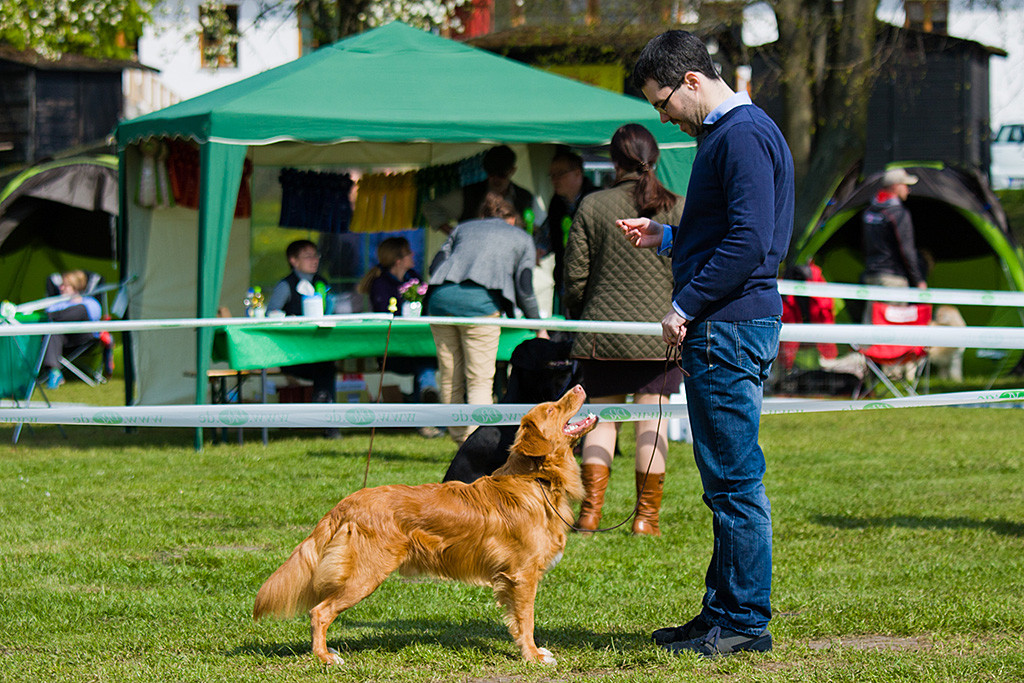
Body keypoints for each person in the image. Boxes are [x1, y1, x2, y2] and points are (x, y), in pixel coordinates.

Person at [618, 30, 795, 658]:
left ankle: (743, 621)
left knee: (734, 484)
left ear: (691, 80)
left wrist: (684, 305)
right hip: (729, 323)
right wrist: (667, 238)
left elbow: (750, 242)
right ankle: (721, 611)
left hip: (727, 326)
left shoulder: (740, 135)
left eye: (663, 103)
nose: (664, 118)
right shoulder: (732, 134)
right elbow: (732, 234)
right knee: (724, 481)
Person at [563, 124, 684, 537]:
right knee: (651, 422)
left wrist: (578, 312)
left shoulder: (592, 205)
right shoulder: (678, 207)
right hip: (660, 333)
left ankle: (589, 515)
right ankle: (646, 519)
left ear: (614, 162)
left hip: (603, 333)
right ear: (656, 158)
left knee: (601, 420)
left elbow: (575, 276)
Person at [426, 193, 546, 445]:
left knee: (449, 376)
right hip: (480, 305)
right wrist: (538, 326)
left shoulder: (462, 228)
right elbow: (524, 287)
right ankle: (474, 444)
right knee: (479, 379)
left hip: (440, 300)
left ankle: (459, 439)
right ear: (512, 219)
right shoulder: (522, 237)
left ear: (483, 216)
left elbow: (435, 266)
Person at [356, 237, 441, 431]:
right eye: (408, 252)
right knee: (424, 363)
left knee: (425, 360)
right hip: (392, 350)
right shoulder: (380, 284)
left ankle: (425, 413)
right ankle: (426, 414)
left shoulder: (413, 277)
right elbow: (384, 315)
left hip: (416, 346)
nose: (413, 255)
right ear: (398, 260)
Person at [267, 240, 338, 433]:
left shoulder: (322, 283)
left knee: (326, 365)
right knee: (325, 367)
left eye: (316, 255)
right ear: (293, 260)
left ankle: (325, 418)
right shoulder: (286, 285)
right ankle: (326, 420)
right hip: (292, 353)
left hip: (318, 349)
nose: (314, 260)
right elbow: (271, 314)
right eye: (308, 256)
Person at [536, 147, 599, 314]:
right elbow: (547, 236)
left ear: (578, 173)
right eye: (551, 175)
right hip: (565, 280)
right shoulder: (556, 203)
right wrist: (537, 249)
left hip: (594, 282)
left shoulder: (597, 200)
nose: (554, 180)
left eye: (560, 174)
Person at [423, 145, 539, 235]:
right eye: (491, 173)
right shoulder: (468, 194)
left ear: (512, 170)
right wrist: (455, 235)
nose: (496, 179)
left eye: (501, 174)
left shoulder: (525, 197)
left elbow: (537, 228)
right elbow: (431, 207)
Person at [860, 168, 927, 322]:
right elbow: (907, 250)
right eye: (906, 185)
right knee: (893, 327)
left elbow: (864, 244)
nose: (908, 190)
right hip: (893, 280)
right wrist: (918, 280)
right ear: (896, 186)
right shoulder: (899, 213)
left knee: (870, 323)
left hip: (872, 276)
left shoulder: (869, 211)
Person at [41, 269, 102, 389]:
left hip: (83, 339)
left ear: (75, 286)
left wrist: (55, 316)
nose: (61, 288)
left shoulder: (90, 303)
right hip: (62, 341)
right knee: (52, 332)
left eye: (65, 285)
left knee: (81, 310)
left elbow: (94, 317)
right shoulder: (56, 305)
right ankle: (54, 372)